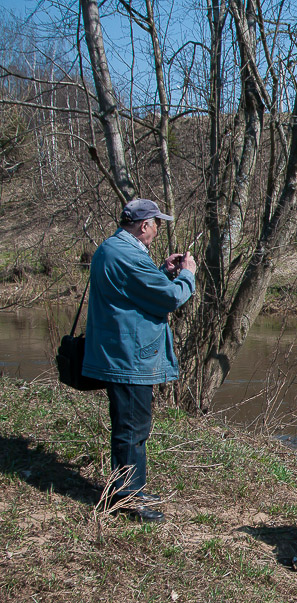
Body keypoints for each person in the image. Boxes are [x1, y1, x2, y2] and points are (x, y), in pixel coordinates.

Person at [83, 198, 197, 523]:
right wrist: (187, 275)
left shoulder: (112, 248)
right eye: (156, 224)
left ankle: (131, 490)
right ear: (144, 225)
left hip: (120, 353)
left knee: (131, 427)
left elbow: (133, 291)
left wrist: (162, 272)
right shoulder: (129, 256)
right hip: (129, 358)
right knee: (132, 429)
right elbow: (170, 298)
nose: (158, 230)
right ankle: (127, 500)